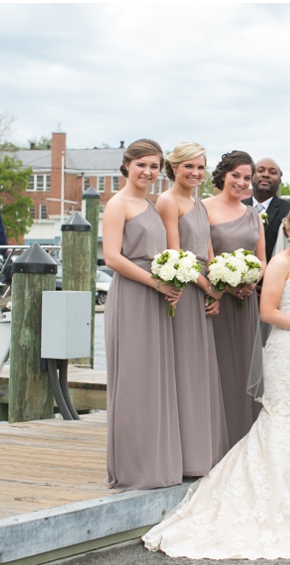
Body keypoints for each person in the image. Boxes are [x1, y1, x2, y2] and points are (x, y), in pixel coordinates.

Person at [143, 204, 290, 559]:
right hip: (286, 352)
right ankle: (273, 499)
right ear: (287, 231)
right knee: (282, 418)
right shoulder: (280, 264)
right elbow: (267, 312)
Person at [103, 139, 185, 490]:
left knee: (155, 379)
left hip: (157, 295)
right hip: (134, 296)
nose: (148, 172)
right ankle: (132, 467)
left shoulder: (151, 204)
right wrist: (156, 283)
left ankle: (157, 462)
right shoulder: (117, 204)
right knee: (134, 379)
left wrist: (171, 279)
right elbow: (113, 258)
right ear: (127, 166)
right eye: (141, 165)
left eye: (154, 166)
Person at [155, 142, 229, 477]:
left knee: (201, 370)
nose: (195, 173)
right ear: (174, 168)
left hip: (202, 290)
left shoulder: (197, 202)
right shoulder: (168, 201)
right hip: (183, 291)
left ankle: (203, 452)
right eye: (189, 167)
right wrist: (204, 286)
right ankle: (185, 456)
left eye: (200, 167)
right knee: (185, 369)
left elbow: (208, 250)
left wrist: (218, 287)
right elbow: (176, 253)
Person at [204, 151, 266, 446]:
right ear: (223, 175)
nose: (241, 182)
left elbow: (263, 259)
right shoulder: (203, 209)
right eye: (236, 176)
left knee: (246, 372)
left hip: (247, 304)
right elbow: (205, 257)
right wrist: (227, 286)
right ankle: (217, 441)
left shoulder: (253, 214)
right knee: (220, 371)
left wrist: (250, 279)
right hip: (215, 301)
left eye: (246, 178)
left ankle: (247, 444)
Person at [241, 158, 290, 264]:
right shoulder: (237, 207)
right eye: (260, 171)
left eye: (272, 172)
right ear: (251, 177)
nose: (265, 175)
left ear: (279, 181)